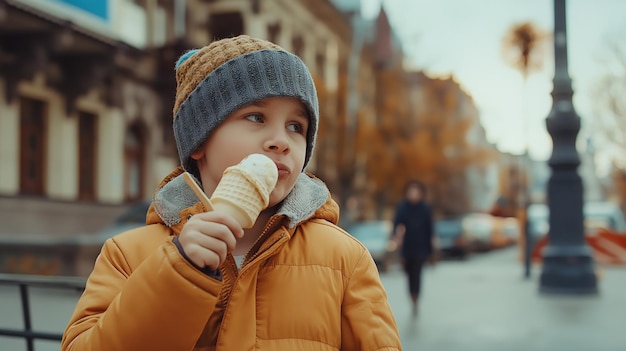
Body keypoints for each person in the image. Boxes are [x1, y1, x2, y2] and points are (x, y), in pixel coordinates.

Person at [61, 35, 401, 351]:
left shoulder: (344, 259)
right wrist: (179, 271)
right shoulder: (128, 255)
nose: (281, 140)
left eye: (296, 126)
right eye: (255, 117)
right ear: (200, 142)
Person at [393, 180, 434, 317]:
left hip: (421, 247)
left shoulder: (425, 208)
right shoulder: (403, 207)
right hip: (407, 247)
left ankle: (416, 298)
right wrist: (397, 236)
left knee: (417, 274)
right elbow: (397, 224)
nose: (413, 194)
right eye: (411, 191)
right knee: (409, 274)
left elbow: (429, 230)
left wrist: (430, 251)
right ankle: (412, 296)